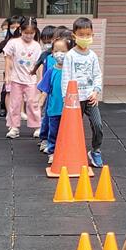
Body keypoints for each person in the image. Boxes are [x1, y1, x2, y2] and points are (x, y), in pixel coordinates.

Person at [63, 17, 105, 167]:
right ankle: (71, 152)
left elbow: (97, 75)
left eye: (88, 35)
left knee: (98, 124)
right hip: (74, 99)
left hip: (90, 97)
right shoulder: (70, 56)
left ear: (93, 35)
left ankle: (96, 151)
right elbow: (66, 77)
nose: (85, 38)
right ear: (74, 36)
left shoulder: (92, 55)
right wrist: (66, 97)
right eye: (81, 35)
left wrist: (96, 91)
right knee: (73, 127)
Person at [3, 17, 42, 140]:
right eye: (26, 33)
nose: (29, 36)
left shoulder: (36, 46)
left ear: (35, 32)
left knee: (33, 103)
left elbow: (39, 63)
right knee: (14, 104)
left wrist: (40, 78)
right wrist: (7, 75)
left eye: (31, 33)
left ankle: (37, 126)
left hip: (31, 80)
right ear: (20, 30)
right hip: (16, 79)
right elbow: (7, 58)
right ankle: (14, 127)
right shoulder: (13, 43)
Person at [36, 33, 70, 162]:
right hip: (54, 108)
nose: (59, 54)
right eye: (56, 51)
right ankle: (52, 152)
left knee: (67, 132)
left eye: (63, 51)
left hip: (68, 109)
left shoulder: (71, 71)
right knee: (53, 131)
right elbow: (45, 88)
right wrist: (41, 100)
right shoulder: (51, 70)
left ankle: (66, 151)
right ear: (52, 52)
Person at [0, 15, 22, 117]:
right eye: (11, 28)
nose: (14, 30)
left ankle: (20, 111)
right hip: (9, 71)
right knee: (6, 91)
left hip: (21, 71)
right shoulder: (5, 42)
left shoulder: (23, 41)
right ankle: (5, 109)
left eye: (16, 27)